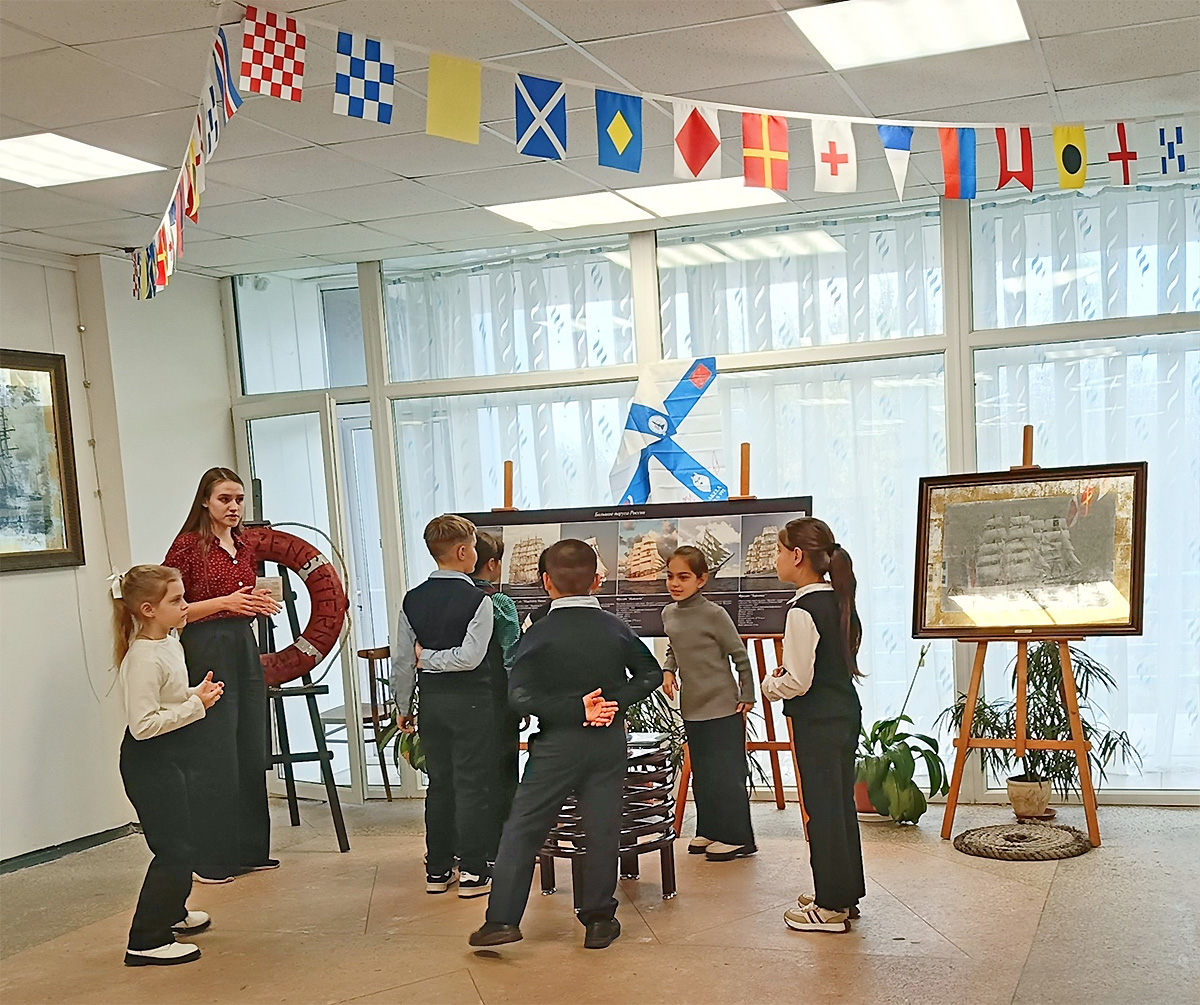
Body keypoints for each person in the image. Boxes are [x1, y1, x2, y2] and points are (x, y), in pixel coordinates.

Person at [469, 539, 662, 951]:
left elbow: (519, 697)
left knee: (523, 829)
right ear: (597, 580)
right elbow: (651, 675)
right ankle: (598, 921)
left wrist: (576, 708)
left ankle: (502, 920)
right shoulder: (615, 628)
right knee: (601, 829)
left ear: (546, 582)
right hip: (607, 742)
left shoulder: (539, 633)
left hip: (557, 745)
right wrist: (611, 703)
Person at [165, 467, 281, 884]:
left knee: (249, 743)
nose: (234, 507)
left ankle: (249, 849)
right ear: (205, 501)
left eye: (239, 499)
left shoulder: (244, 545)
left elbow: (238, 598)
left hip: (243, 645)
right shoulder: (187, 547)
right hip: (206, 646)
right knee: (215, 750)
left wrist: (252, 601)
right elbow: (172, 610)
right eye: (225, 499)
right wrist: (224, 603)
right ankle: (210, 858)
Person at [113, 565, 224, 966]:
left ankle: (173, 912)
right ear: (148, 609)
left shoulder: (170, 642)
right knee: (173, 848)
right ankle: (146, 939)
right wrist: (195, 706)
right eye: (176, 600)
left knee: (186, 837)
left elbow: (168, 699)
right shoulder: (143, 657)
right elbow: (143, 726)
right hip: (149, 762)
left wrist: (195, 694)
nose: (185, 605)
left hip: (172, 754)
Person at [761, 518, 866, 934]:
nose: (775, 559)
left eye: (778, 551)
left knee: (822, 811)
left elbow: (798, 681)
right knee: (838, 806)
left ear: (797, 556)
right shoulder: (836, 598)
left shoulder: (802, 609)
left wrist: (770, 685)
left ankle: (830, 907)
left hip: (818, 720)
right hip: (843, 713)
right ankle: (843, 893)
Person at [393, 515, 496, 898]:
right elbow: (470, 657)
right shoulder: (478, 600)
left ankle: (437, 869)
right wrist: (435, 658)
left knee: (439, 785)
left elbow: (403, 660)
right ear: (464, 551)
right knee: (472, 785)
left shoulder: (412, 599)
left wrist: (404, 704)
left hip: (432, 705)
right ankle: (472, 872)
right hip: (472, 704)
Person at [661, 546, 756, 861]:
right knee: (703, 774)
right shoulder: (669, 613)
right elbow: (674, 648)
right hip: (693, 706)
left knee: (727, 773)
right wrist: (668, 670)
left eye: (683, 577)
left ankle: (739, 838)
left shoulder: (715, 614)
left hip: (723, 705)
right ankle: (710, 830)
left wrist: (747, 694)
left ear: (701, 580)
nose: (675, 583)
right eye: (670, 576)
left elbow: (740, 656)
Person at [471, 531, 523, 853]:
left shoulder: (450, 598)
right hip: (495, 697)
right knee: (502, 771)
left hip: (455, 698)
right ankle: (501, 846)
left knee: (466, 774)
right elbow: (511, 654)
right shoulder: (499, 602)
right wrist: (519, 698)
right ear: (492, 563)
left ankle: (464, 846)